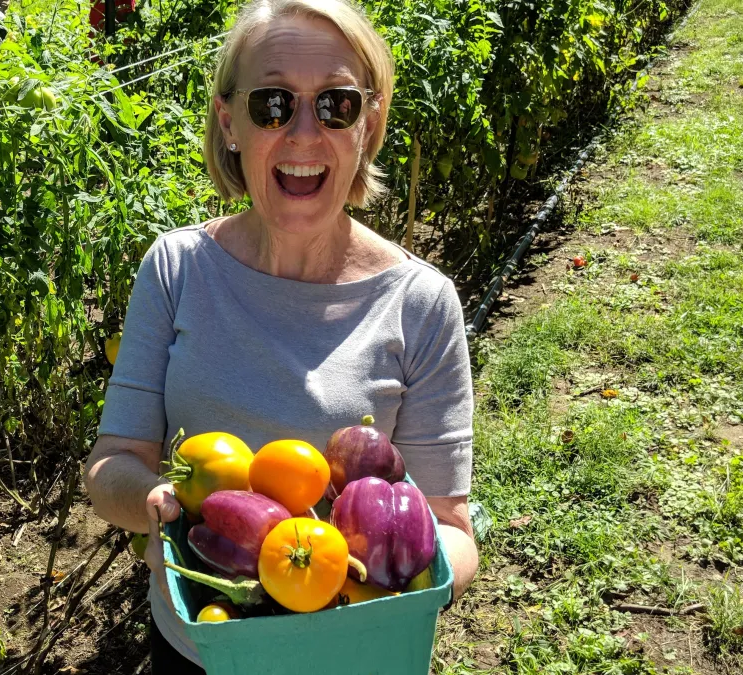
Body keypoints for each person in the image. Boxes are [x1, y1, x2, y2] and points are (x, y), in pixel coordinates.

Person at [83, 0, 479, 671]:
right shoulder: (177, 269)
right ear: (228, 122)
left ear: (371, 124)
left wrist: (400, 587)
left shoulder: (421, 303)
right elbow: (110, 462)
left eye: (336, 105)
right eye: (271, 103)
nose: (302, 133)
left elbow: (450, 525)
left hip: (352, 652)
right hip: (202, 647)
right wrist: (156, 503)